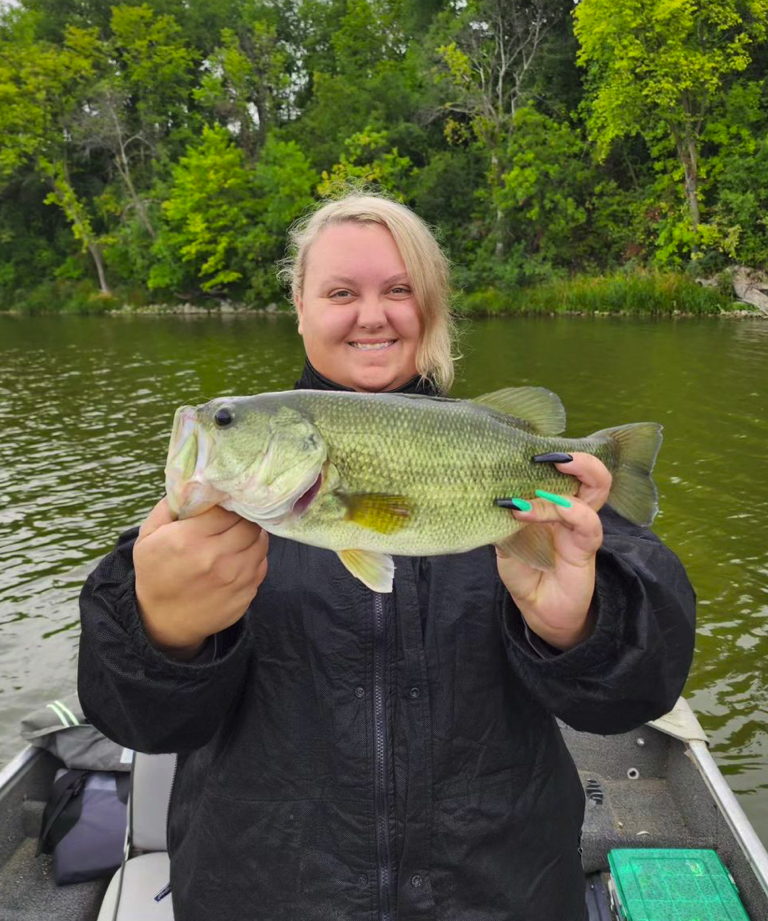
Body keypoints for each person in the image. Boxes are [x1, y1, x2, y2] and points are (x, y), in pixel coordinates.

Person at [78, 192, 696, 921]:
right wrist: (163, 633)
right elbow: (136, 721)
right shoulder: (205, 525)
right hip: (265, 889)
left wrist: (579, 628)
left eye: (399, 290)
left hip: (502, 889)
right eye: (341, 293)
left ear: (432, 308)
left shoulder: (542, 491)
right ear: (299, 309)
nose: (371, 315)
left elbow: (644, 689)